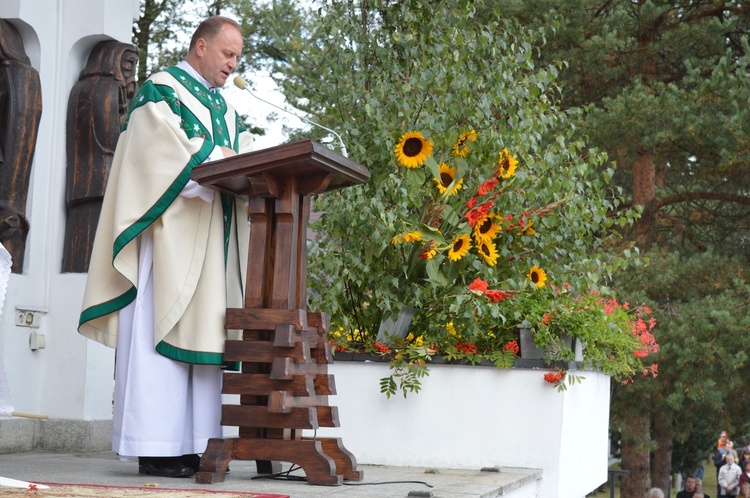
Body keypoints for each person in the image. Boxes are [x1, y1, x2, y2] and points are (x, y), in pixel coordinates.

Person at [78, 16, 253, 478]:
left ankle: (195, 446)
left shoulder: (228, 109)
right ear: (200, 47)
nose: (233, 64)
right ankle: (154, 445)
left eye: (237, 57)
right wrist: (218, 162)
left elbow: (229, 163)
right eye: (227, 54)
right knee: (160, 336)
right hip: (168, 234)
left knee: (204, 339)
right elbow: (154, 153)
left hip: (211, 238)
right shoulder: (162, 89)